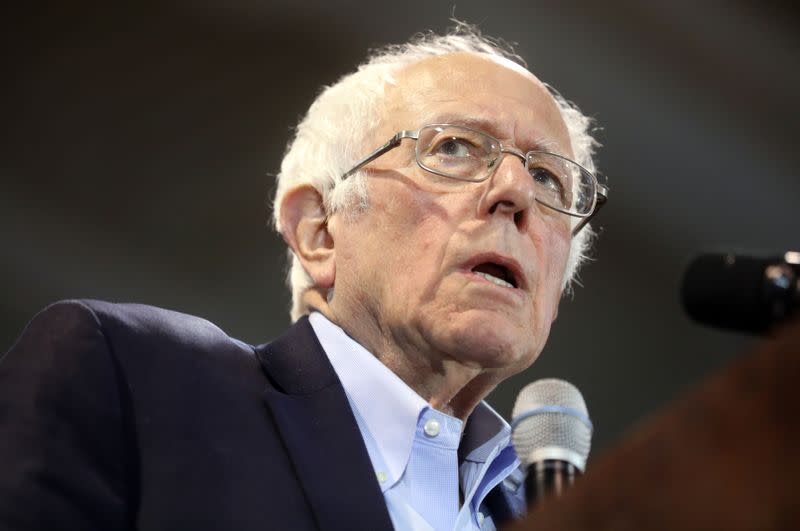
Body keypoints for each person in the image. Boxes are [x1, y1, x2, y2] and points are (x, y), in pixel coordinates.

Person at [0, 24, 606, 531]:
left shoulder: (564, 515)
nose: (515, 192)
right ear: (319, 229)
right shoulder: (136, 380)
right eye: (455, 148)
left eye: (550, 180)